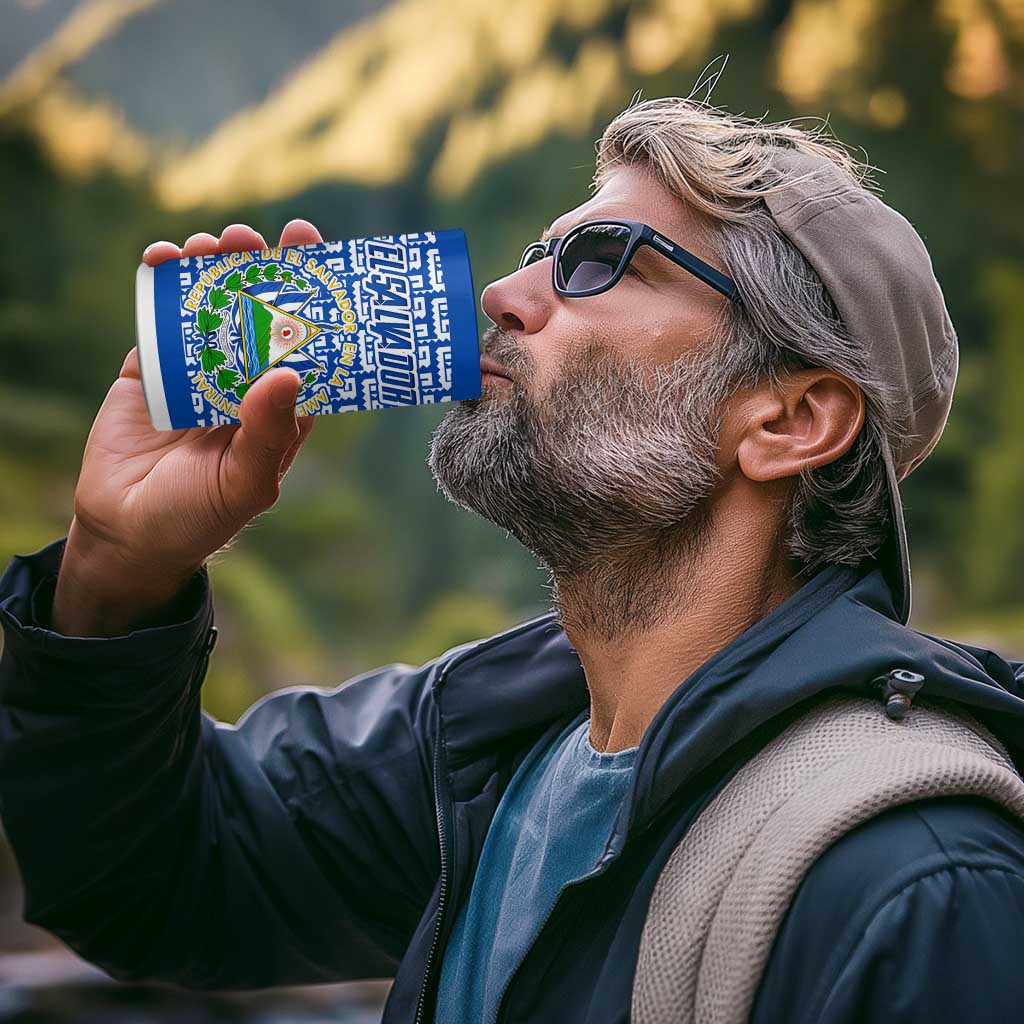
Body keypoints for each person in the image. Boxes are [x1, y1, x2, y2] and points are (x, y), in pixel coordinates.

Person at [2, 95, 1024, 1024]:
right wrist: (116, 570)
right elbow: (149, 880)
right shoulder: (480, 749)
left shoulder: (918, 883)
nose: (502, 291)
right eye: (540, 252)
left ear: (791, 419)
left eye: (599, 261)